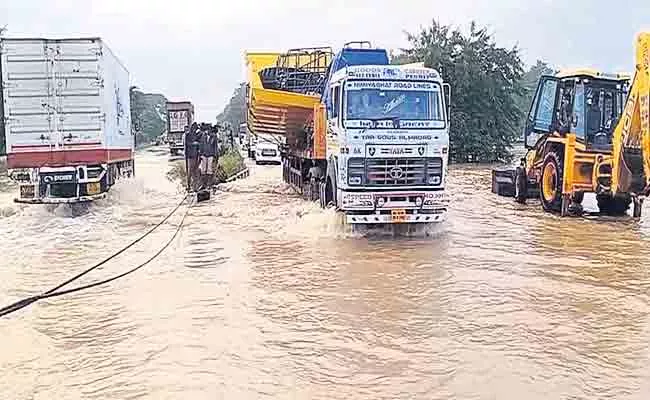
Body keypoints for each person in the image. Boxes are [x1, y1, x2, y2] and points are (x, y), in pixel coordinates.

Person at [184, 123, 201, 191]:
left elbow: (198, 144)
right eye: (195, 128)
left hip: (196, 155)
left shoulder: (196, 135)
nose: (195, 130)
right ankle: (188, 186)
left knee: (195, 172)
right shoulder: (187, 135)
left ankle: (195, 187)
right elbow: (187, 144)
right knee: (190, 171)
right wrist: (194, 144)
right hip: (190, 156)